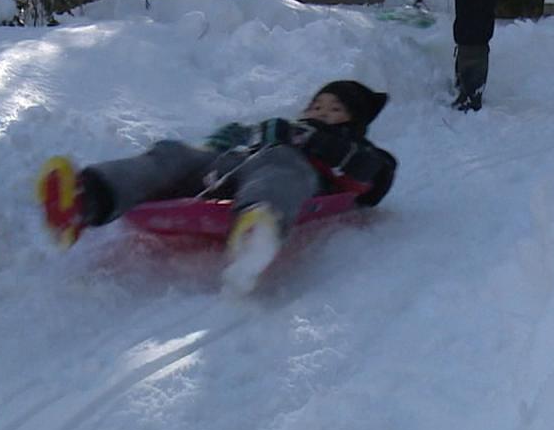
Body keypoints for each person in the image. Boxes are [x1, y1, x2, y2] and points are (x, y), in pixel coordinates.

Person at [37, 80, 398, 286]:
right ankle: (86, 199)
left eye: (334, 109)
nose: (320, 112)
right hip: (231, 168)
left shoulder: (355, 149)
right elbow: (230, 142)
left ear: (354, 123)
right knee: (173, 155)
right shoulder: (278, 129)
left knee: (281, 164)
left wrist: (304, 140)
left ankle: (259, 229)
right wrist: (223, 141)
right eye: (316, 105)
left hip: (285, 176)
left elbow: (376, 177)